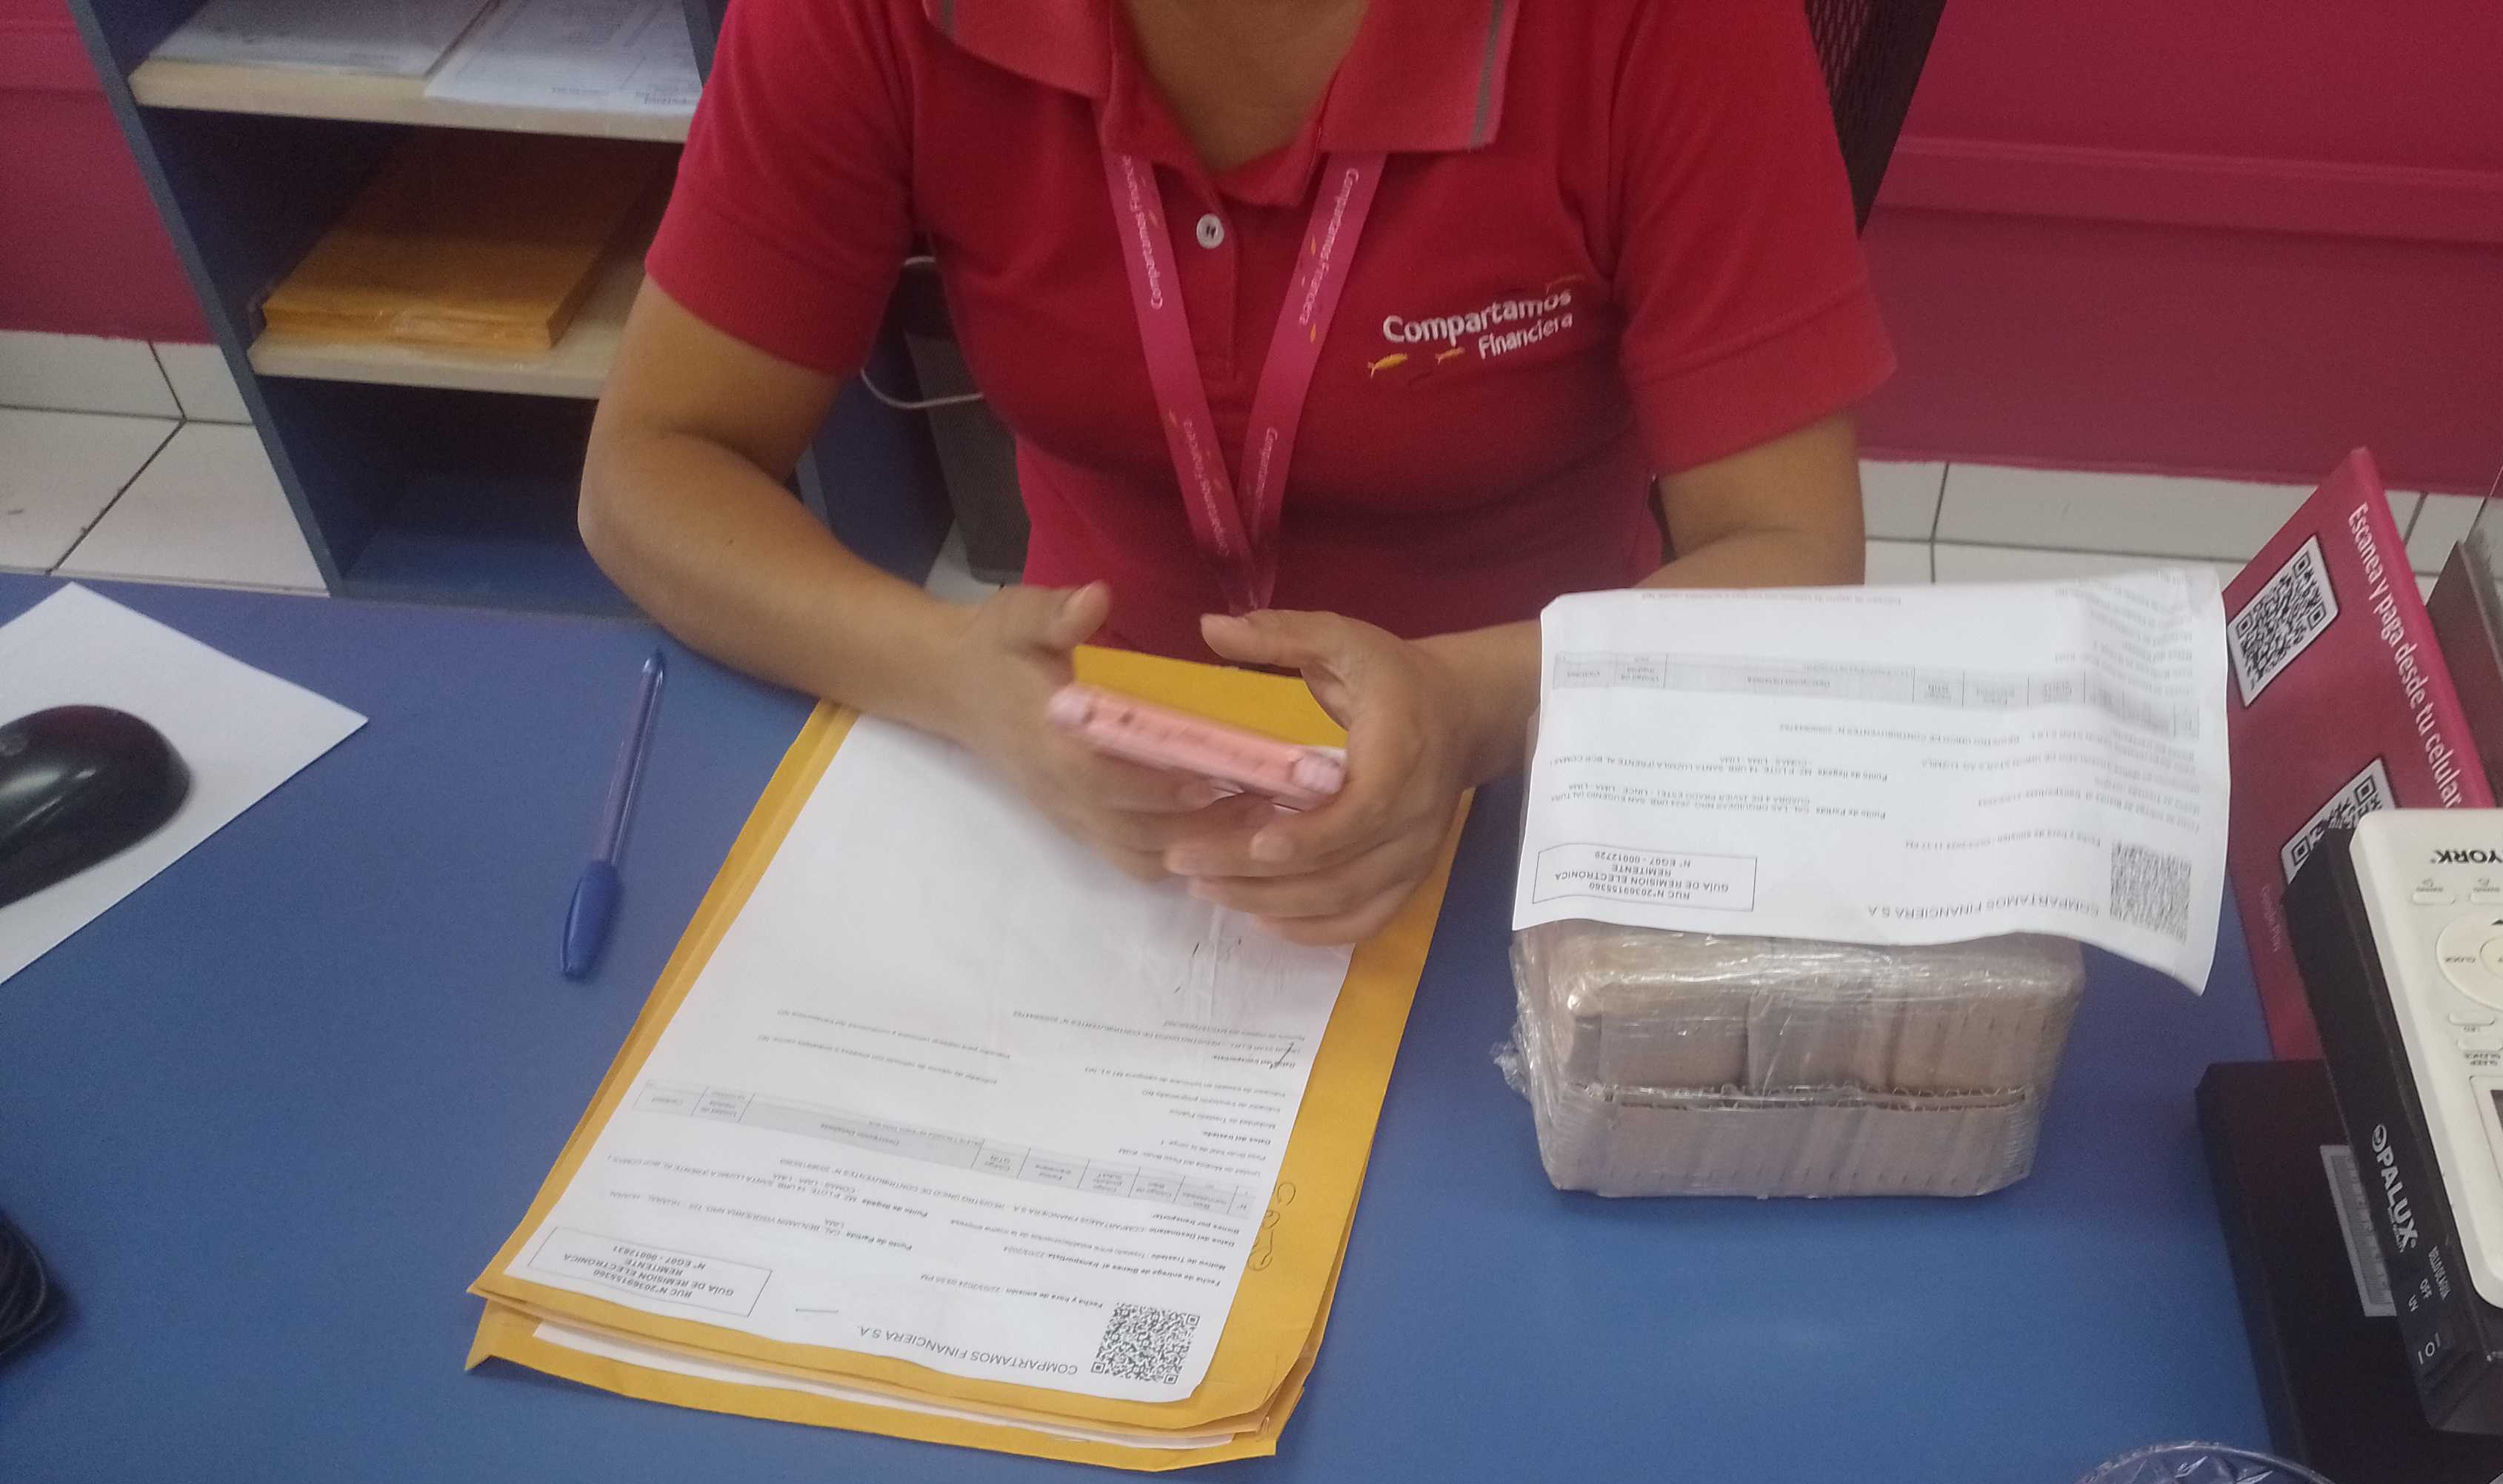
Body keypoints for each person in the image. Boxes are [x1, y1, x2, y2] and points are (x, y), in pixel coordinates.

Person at [581, 0, 1893, 944]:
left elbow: (1792, 552)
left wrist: (1475, 709)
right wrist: (954, 676)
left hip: (1540, 771)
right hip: (1085, 793)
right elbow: (653, 466)